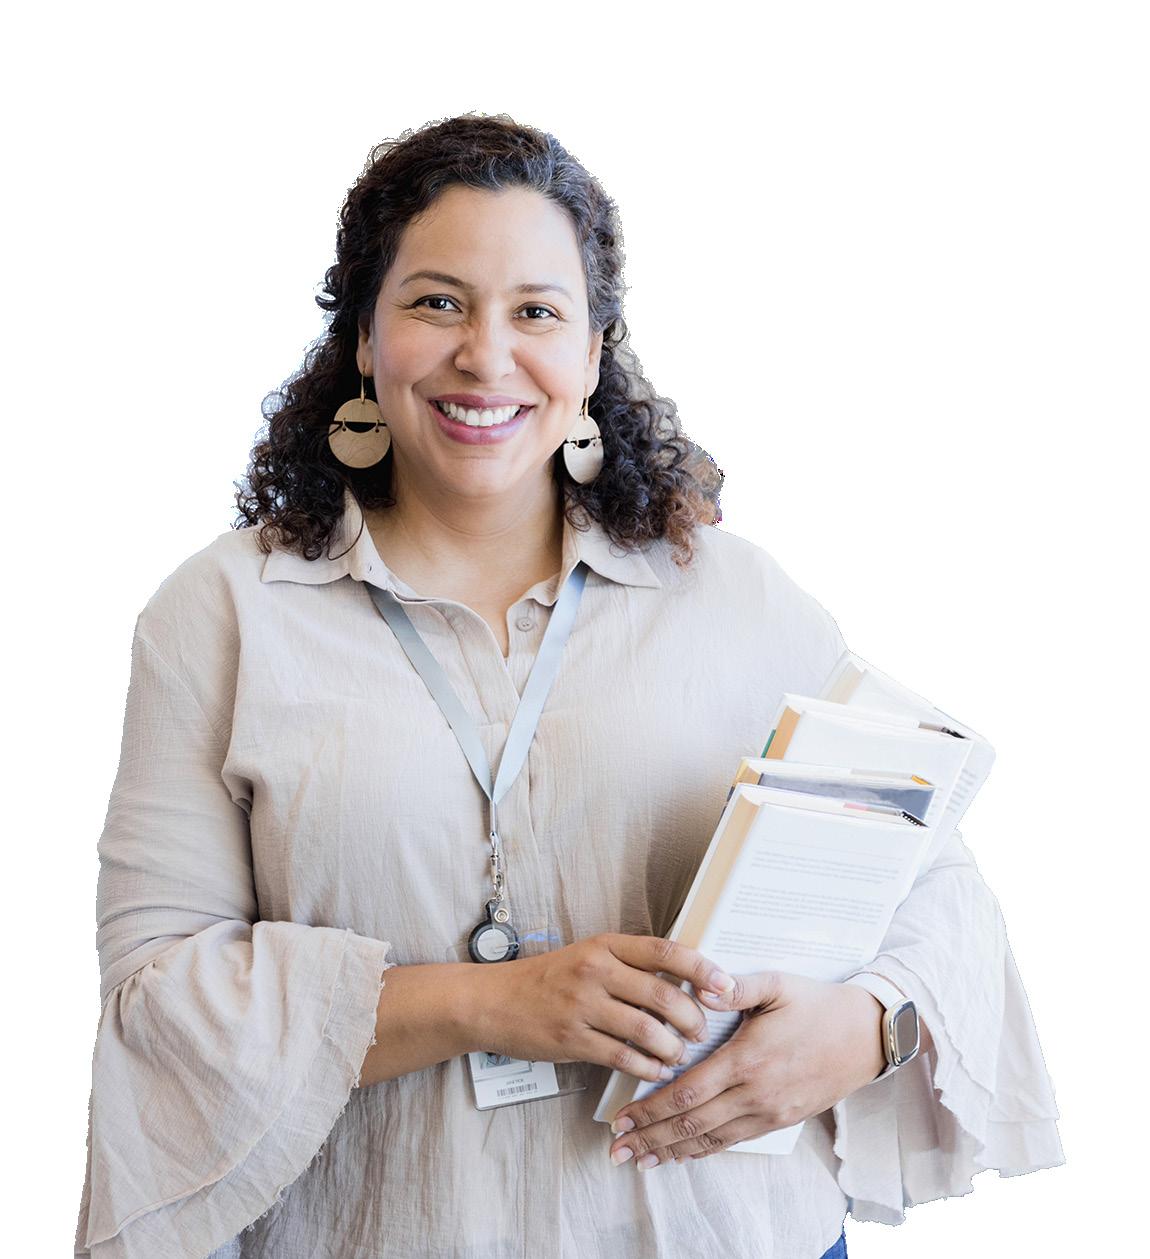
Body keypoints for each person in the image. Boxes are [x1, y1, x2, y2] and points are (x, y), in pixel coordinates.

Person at [73, 113, 1064, 1259]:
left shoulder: (735, 596)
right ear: (364, 337)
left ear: (594, 352)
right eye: (437, 302)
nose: (486, 356)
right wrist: (486, 1000)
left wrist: (867, 1024)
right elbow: (157, 992)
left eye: (536, 312)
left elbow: (933, 881)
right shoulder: (223, 611)